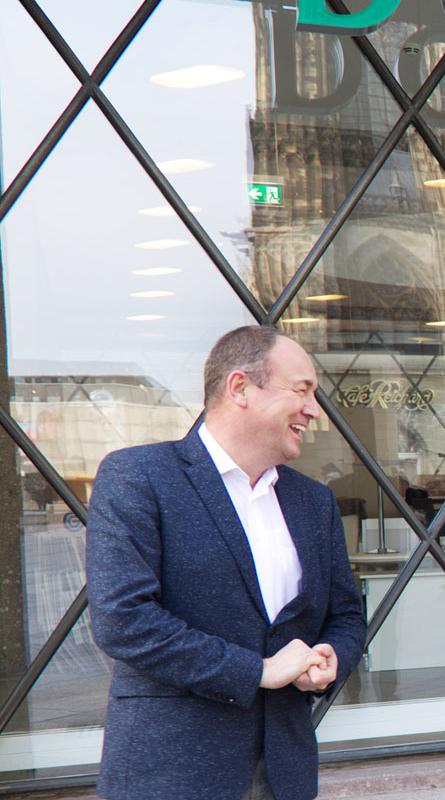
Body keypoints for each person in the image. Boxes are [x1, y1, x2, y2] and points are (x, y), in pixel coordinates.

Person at [87, 325, 366, 800]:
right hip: (172, 772)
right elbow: (124, 621)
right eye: (301, 390)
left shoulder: (313, 501)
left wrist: (331, 656)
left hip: (284, 773)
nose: (313, 410)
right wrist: (257, 671)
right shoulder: (138, 477)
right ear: (240, 388)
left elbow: (345, 614)